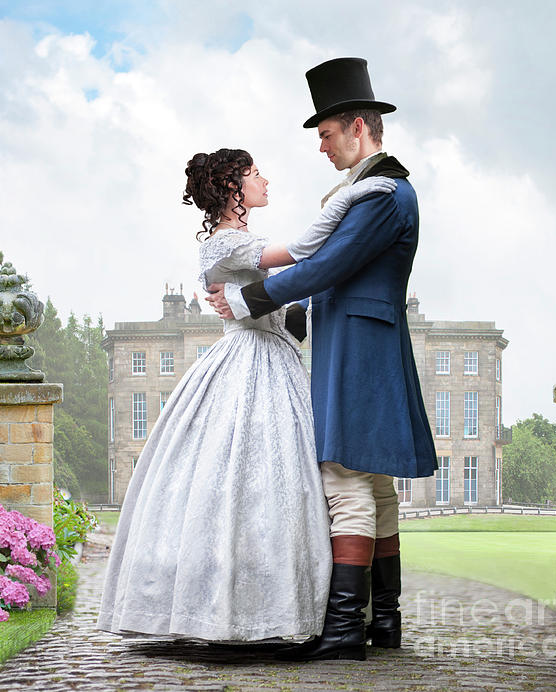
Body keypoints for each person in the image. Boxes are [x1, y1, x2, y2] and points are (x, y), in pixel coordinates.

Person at [96, 146, 395, 643]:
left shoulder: (238, 240)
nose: (265, 179)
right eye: (256, 172)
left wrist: (264, 303)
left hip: (276, 357)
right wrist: (355, 194)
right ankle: (238, 613)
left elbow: (281, 306)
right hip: (249, 362)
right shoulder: (224, 242)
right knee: (247, 484)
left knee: (279, 486)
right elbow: (303, 252)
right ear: (233, 184)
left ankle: (285, 608)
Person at [207, 58, 438, 661]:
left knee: (344, 480)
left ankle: (342, 633)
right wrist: (285, 314)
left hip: (360, 348)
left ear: (358, 127)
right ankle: (381, 624)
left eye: (327, 134)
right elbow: (328, 276)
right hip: (356, 340)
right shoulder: (371, 191)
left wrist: (246, 297)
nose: (322, 146)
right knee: (374, 484)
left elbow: (328, 268)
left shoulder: (383, 194)